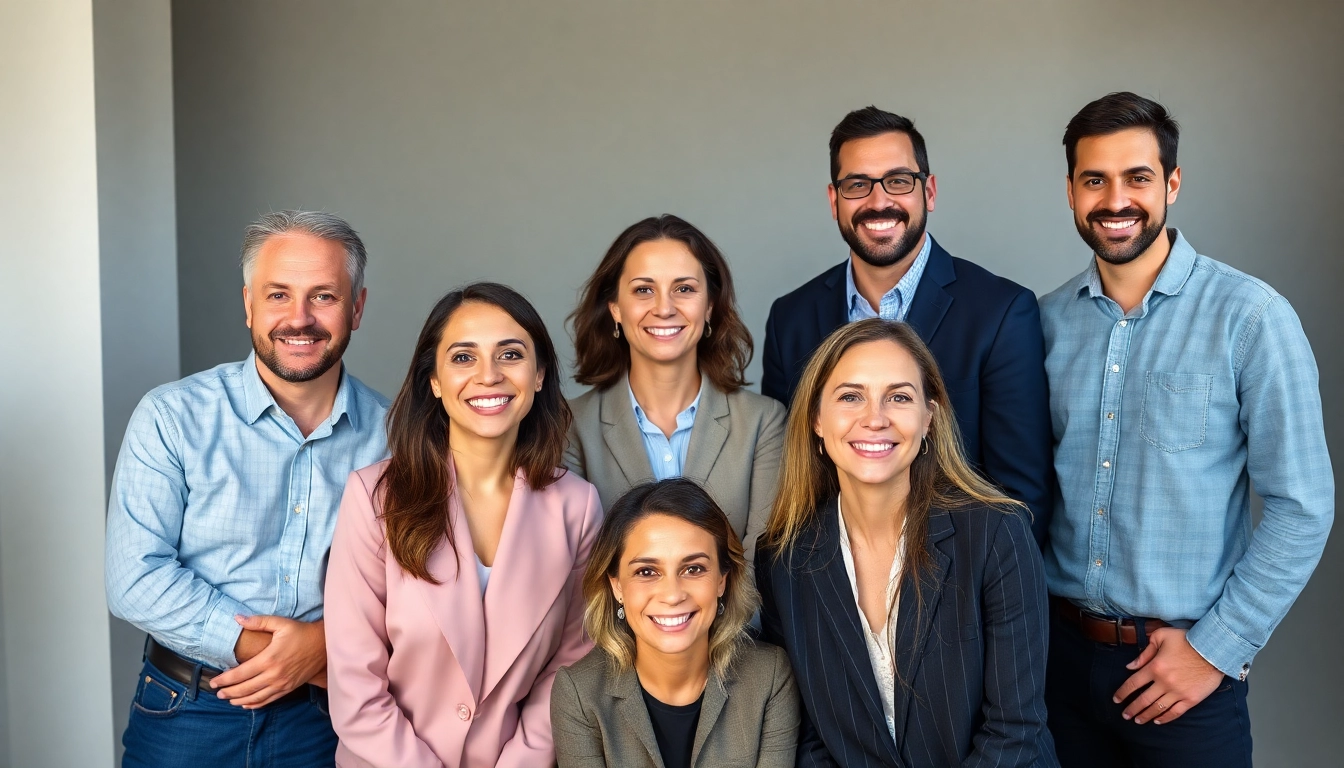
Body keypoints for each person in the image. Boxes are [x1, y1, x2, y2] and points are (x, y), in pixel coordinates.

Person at [1040, 92, 1334, 768]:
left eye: (1138, 177)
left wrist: (1217, 649)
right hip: (1056, 671)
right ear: (1071, 192)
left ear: (1172, 183)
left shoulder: (1252, 318)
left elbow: (1303, 505)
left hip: (1184, 678)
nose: (1117, 199)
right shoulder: (1045, 323)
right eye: (1095, 180)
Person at [105, 210, 390, 767]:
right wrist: (287, 653)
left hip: (330, 717)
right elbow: (133, 577)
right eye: (278, 295)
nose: (299, 318)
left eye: (324, 296)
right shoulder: (172, 416)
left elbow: (416, 586)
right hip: (187, 711)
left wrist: (324, 646)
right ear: (248, 306)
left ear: (357, 308)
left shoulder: (396, 436)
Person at [324, 282, 602, 768]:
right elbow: (355, 684)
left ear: (539, 375)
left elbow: (571, 669)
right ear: (434, 380)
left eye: (510, 354)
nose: (488, 376)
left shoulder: (576, 507)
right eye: (463, 357)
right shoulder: (373, 498)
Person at [757, 319, 1056, 767]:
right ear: (817, 419)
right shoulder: (783, 559)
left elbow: (1015, 730)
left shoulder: (997, 533)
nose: (875, 418)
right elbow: (810, 736)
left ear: (928, 418)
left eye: (898, 397)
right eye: (850, 396)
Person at [761, 107, 1052, 544]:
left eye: (898, 181)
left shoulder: (1001, 313)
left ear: (928, 192)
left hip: (961, 594)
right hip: (830, 591)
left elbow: (1020, 499)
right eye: (857, 184)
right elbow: (794, 484)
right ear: (833, 199)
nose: (879, 201)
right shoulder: (792, 320)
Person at [565, 215, 785, 561]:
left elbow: (766, 562)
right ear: (615, 309)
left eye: (684, 289)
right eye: (643, 290)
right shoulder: (571, 426)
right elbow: (576, 566)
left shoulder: (764, 422)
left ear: (709, 306)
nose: (664, 308)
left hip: (736, 616)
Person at [551, 478, 799, 768]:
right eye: (646, 572)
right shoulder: (579, 694)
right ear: (617, 586)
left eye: (693, 569)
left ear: (722, 580)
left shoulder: (769, 677)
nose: (672, 595)